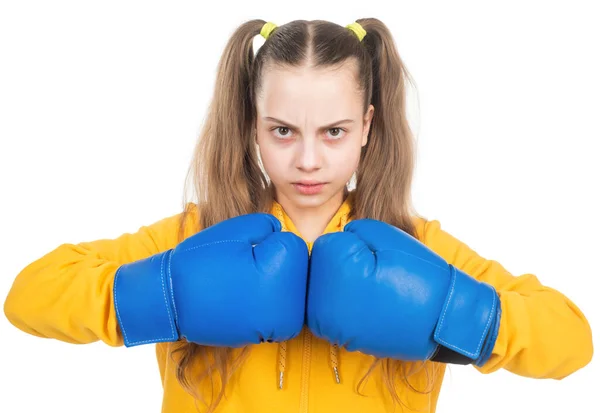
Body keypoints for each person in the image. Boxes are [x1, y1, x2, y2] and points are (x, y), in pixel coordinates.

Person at [3, 18, 593, 413]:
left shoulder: (418, 248)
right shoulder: (196, 238)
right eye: (282, 130)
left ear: (366, 126)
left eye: (333, 131)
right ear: (251, 127)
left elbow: (572, 341)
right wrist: (164, 296)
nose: (308, 159)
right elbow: (28, 295)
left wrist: (458, 314)